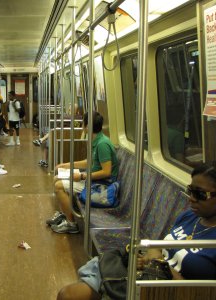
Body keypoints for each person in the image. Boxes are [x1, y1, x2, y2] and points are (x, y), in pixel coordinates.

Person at [57, 162, 216, 300]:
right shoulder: (190, 216)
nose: (192, 198)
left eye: (201, 194)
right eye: (191, 191)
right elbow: (160, 247)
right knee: (67, 294)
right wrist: (148, 257)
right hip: (146, 273)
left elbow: (197, 293)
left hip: (163, 291)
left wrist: (161, 264)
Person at [47, 111, 119, 234]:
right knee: (57, 177)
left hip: (100, 185)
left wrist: (81, 175)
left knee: (59, 186)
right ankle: (65, 214)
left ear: (87, 126)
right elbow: (88, 162)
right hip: (92, 179)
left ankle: (71, 224)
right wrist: (66, 165)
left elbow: (107, 172)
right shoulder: (96, 140)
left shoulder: (102, 144)